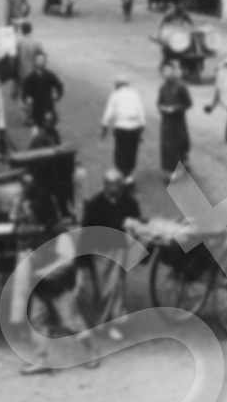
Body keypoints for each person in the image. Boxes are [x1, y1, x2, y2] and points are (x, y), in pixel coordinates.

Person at [12, 177, 99, 376]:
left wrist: (45, 271)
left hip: (58, 285)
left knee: (70, 321)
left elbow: (67, 260)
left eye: (30, 211)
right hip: (41, 286)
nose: (27, 214)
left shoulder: (60, 234)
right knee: (37, 320)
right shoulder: (36, 232)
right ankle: (42, 359)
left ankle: (92, 351)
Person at [81, 169, 144, 339]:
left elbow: (137, 222)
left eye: (117, 185)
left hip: (119, 249)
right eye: (111, 185)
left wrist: (134, 228)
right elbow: (86, 232)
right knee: (104, 289)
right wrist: (83, 261)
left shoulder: (129, 202)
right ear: (106, 186)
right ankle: (104, 324)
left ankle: (114, 321)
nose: (114, 189)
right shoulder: (95, 204)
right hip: (100, 252)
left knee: (115, 286)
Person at [100, 76, 147, 180]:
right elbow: (140, 110)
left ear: (117, 85)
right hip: (134, 126)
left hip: (121, 126)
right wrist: (142, 127)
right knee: (132, 151)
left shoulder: (115, 95)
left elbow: (109, 112)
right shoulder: (134, 94)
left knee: (121, 151)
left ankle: (122, 173)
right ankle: (129, 174)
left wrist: (104, 126)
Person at [157, 59, 194, 180]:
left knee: (180, 143)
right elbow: (159, 103)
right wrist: (162, 108)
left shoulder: (181, 86)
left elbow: (188, 103)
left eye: (167, 70)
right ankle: (170, 169)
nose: (165, 73)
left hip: (178, 121)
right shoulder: (163, 88)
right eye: (163, 71)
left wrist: (175, 109)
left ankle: (181, 165)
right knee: (168, 146)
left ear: (173, 71)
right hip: (166, 122)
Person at [21, 51, 64, 130]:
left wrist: (58, 95)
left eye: (42, 60)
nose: (40, 62)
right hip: (36, 107)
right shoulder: (30, 78)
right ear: (35, 62)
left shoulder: (49, 75)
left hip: (47, 105)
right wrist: (27, 98)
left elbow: (59, 85)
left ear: (45, 61)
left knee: (49, 126)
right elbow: (25, 90)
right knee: (37, 129)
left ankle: (49, 132)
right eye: (38, 60)